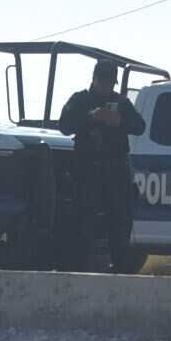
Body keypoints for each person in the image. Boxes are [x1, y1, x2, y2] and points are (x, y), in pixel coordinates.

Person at [57, 60, 146, 273]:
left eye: (110, 83)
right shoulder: (80, 100)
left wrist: (119, 122)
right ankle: (80, 267)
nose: (107, 87)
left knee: (120, 221)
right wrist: (91, 117)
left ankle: (119, 268)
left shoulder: (120, 102)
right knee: (83, 221)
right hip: (87, 171)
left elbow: (140, 126)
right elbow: (64, 125)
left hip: (115, 171)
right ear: (95, 79)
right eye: (103, 82)